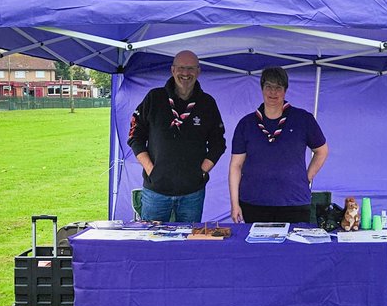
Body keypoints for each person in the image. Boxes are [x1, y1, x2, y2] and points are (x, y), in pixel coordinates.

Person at [128, 50, 226, 222]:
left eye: (190, 68)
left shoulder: (207, 103)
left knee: (188, 244)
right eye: (181, 68)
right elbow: (135, 135)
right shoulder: (154, 98)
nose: (185, 73)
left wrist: (201, 172)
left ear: (198, 71)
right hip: (155, 191)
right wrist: (151, 170)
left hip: (192, 194)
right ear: (173, 70)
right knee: (152, 242)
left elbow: (218, 143)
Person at [228, 66, 329, 224]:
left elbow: (322, 151)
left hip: (294, 203)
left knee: (293, 248)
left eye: (278, 87)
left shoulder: (303, 119)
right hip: (253, 203)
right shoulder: (246, 124)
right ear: (262, 89)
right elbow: (235, 166)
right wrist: (234, 204)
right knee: (257, 249)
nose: (273, 92)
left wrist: (306, 178)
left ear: (285, 90)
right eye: (268, 86)